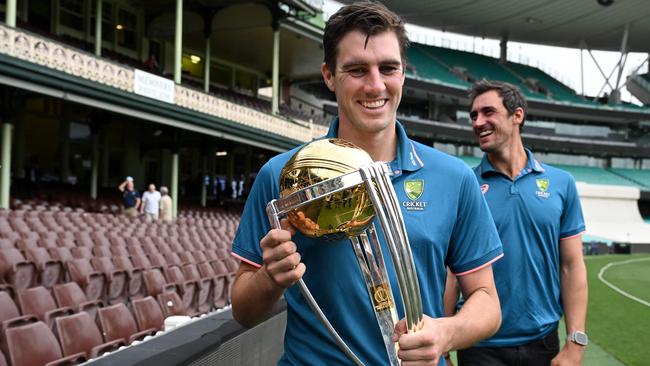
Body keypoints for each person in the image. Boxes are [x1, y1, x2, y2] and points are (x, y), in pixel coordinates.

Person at [231, 2, 504, 365]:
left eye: (388, 68)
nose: (376, 85)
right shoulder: (282, 175)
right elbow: (243, 310)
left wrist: (446, 332)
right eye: (357, 70)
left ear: (404, 72)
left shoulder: (453, 177)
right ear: (329, 76)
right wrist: (271, 279)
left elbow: (486, 300)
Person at [445, 80, 588, 366]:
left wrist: (576, 342)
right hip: (479, 346)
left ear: (517, 115)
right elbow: (451, 274)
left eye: (488, 112)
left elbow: (571, 265)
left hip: (543, 344)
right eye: (473, 115)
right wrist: (442, 349)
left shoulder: (562, 184)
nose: (478, 122)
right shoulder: (465, 185)